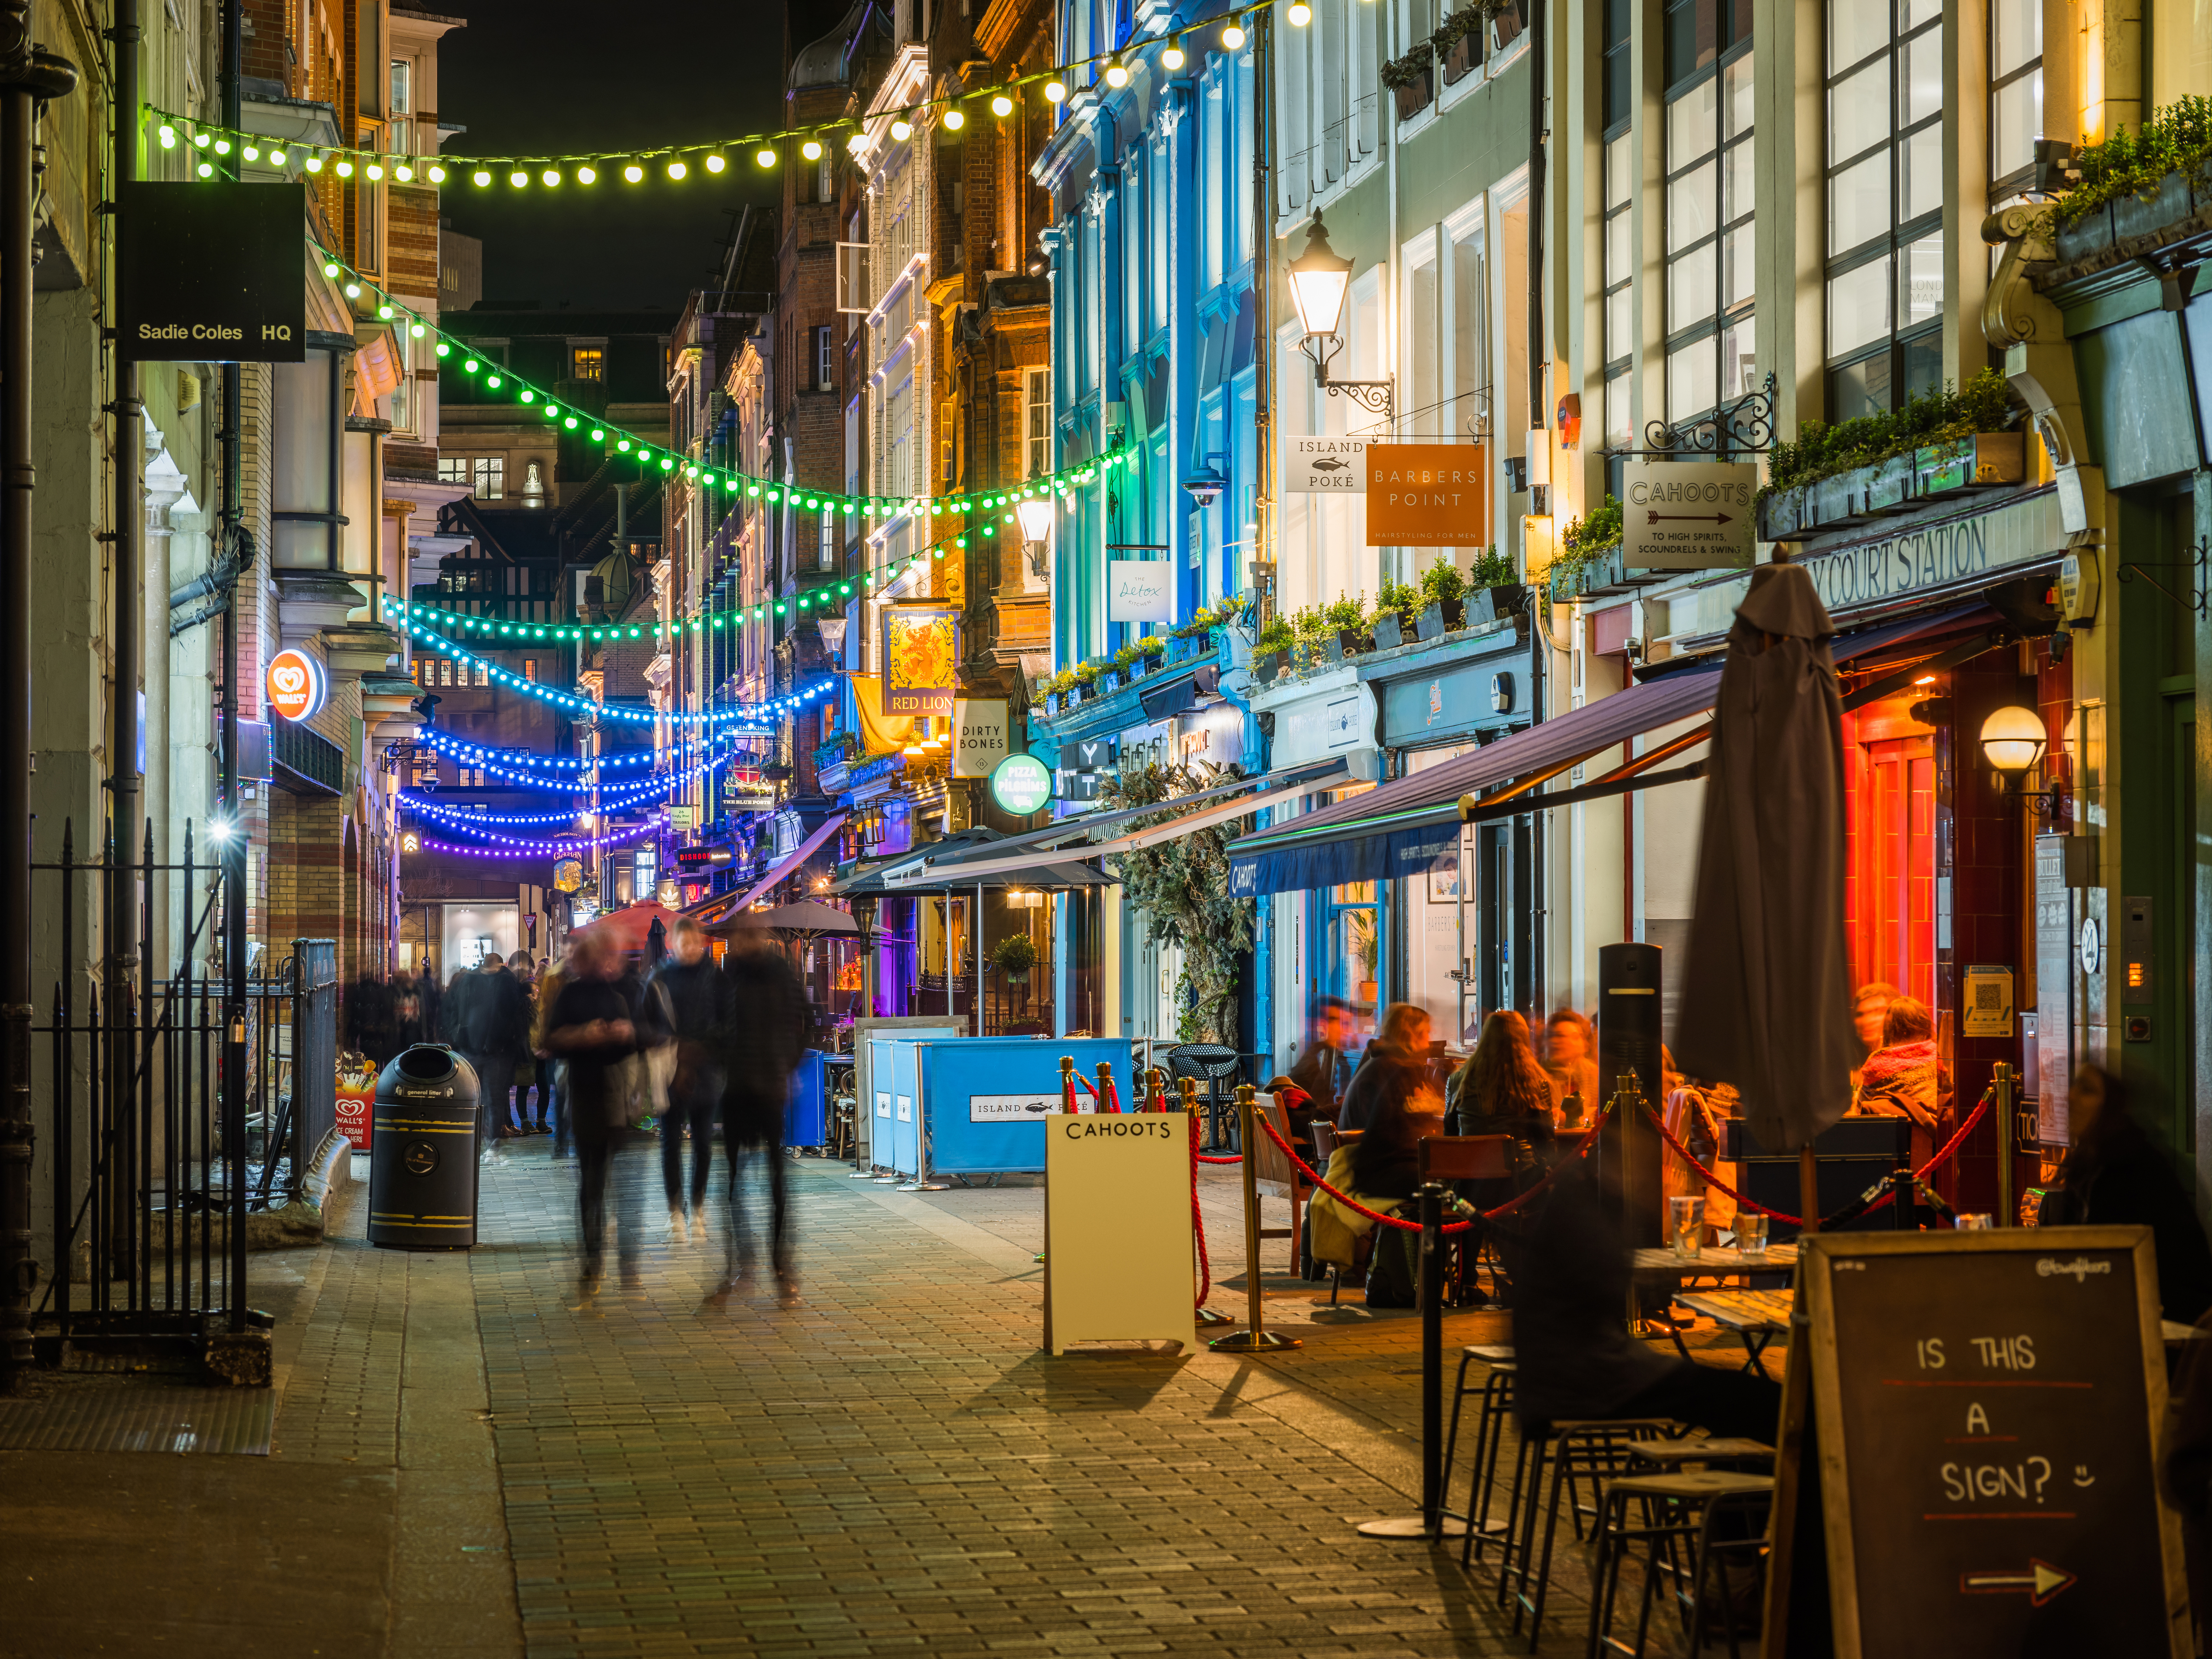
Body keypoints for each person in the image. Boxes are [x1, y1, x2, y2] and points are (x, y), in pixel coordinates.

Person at [1511, 1153, 1780, 1443]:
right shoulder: (1586, 1216)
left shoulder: (1571, 1206)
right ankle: (1753, 1480)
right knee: (1763, 1402)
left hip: (1564, 1382)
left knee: (1739, 1399)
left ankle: (1736, 1472)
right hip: (1600, 1381)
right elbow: (1608, 1287)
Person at [2040, 1064, 2212, 1322]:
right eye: (2075, 1086)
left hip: (2165, 1318)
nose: (2071, 1096)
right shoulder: (2091, 1164)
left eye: (2087, 1090)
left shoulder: (2134, 1169)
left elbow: (2107, 1258)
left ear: (2111, 1106)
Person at [544, 929, 644, 1301]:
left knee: (600, 1181)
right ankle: (593, 1256)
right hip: (588, 1096)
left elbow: (635, 1042)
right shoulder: (571, 994)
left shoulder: (618, 996)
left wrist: (622, 1034)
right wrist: (584, 1035)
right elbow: (550, 1041)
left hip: (609, 1095)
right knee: (593, 1181)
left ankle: (603, 1258)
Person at [714, 926, 809, 1306]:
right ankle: (741, 1262)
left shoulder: (780, 973)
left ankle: (781, 1266)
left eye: (746, 939)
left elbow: (806, 1020)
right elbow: (716, 1026)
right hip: (737, 1089)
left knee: (776, 1184)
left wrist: (788, 1066)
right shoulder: (728, 975)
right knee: (733, 1183)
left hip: (769, 1087)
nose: (742, 945)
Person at [646, 919, 730, 1242]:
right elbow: (647, 1023)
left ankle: (696, 1207)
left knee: (703, 1143)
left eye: (694, 943)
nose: (690, 949)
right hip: (670, 1070)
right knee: (670, 1142)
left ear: (701, 944)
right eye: (684, 944)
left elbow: (728, 1024)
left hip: (707, 1071)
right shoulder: (660, 978)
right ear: (674, 946)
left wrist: (701, 1049)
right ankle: (675, 1211)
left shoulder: (717, 979)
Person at [1346, 1053, 1447, 1308]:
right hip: (1383, 1176)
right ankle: (1436, 1282)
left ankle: (1423, 1282)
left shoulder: (1378, 1070)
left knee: (1438, 1191)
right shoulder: (1392, 1077)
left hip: (1370, 1171)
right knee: (1444, 1193)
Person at [1446, 1010, 1557, 1173]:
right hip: (1522, 1179)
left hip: (1470, 1179)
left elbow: (1450, 1135)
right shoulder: (1536, 1083)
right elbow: (1546, 1139)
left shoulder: (1458, 1081)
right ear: (1524, 1040)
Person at [1853, 995, 1951, 1168]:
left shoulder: (1877, 1061)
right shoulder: (1937, 1056)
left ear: (1889, 1028)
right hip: (1936, 1144)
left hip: (1890, 1151)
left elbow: (1862, 1107)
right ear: (1924, 1024)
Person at [1337, 1001, 1432, 1133]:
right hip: (1372, 1151)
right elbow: (1406, 1126)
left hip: (1357, 1148)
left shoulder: (1380, 1063)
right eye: (1426, 1032)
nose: (1428, 1041)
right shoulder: (1397, 1070)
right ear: (1412, 1034)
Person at [532, 945, 572, 1153]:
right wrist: (543, 1042)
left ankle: (566, 1139)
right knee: (563, 1093)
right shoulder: (554, 979)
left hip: (579, 1044)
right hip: (561, 1044)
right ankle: (562, 1140)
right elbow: (545, 1010)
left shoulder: (584, 977)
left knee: (568, 1093)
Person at [1287, 996, 1354, 1120]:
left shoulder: (1315, 1054)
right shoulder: (1312, 1067)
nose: (1345, 1029)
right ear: (1321, 1024)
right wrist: (1340, 1107)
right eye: (1340, 1022)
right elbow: (1319, 1119)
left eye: (1347, 1023)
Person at [1541, 1009, 1600, 1128]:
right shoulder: (1537, 1073)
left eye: (1561, 1036)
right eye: (1552, 1036)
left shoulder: (1594, 1074)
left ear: (1581, 1041)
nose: (1555, 1042)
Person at [1850, 980, 1899, 1089]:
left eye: (1878, 1012)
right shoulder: (1847, 1056)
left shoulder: (1910, 1057)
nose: (1868, 1021)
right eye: (1860, 1014)